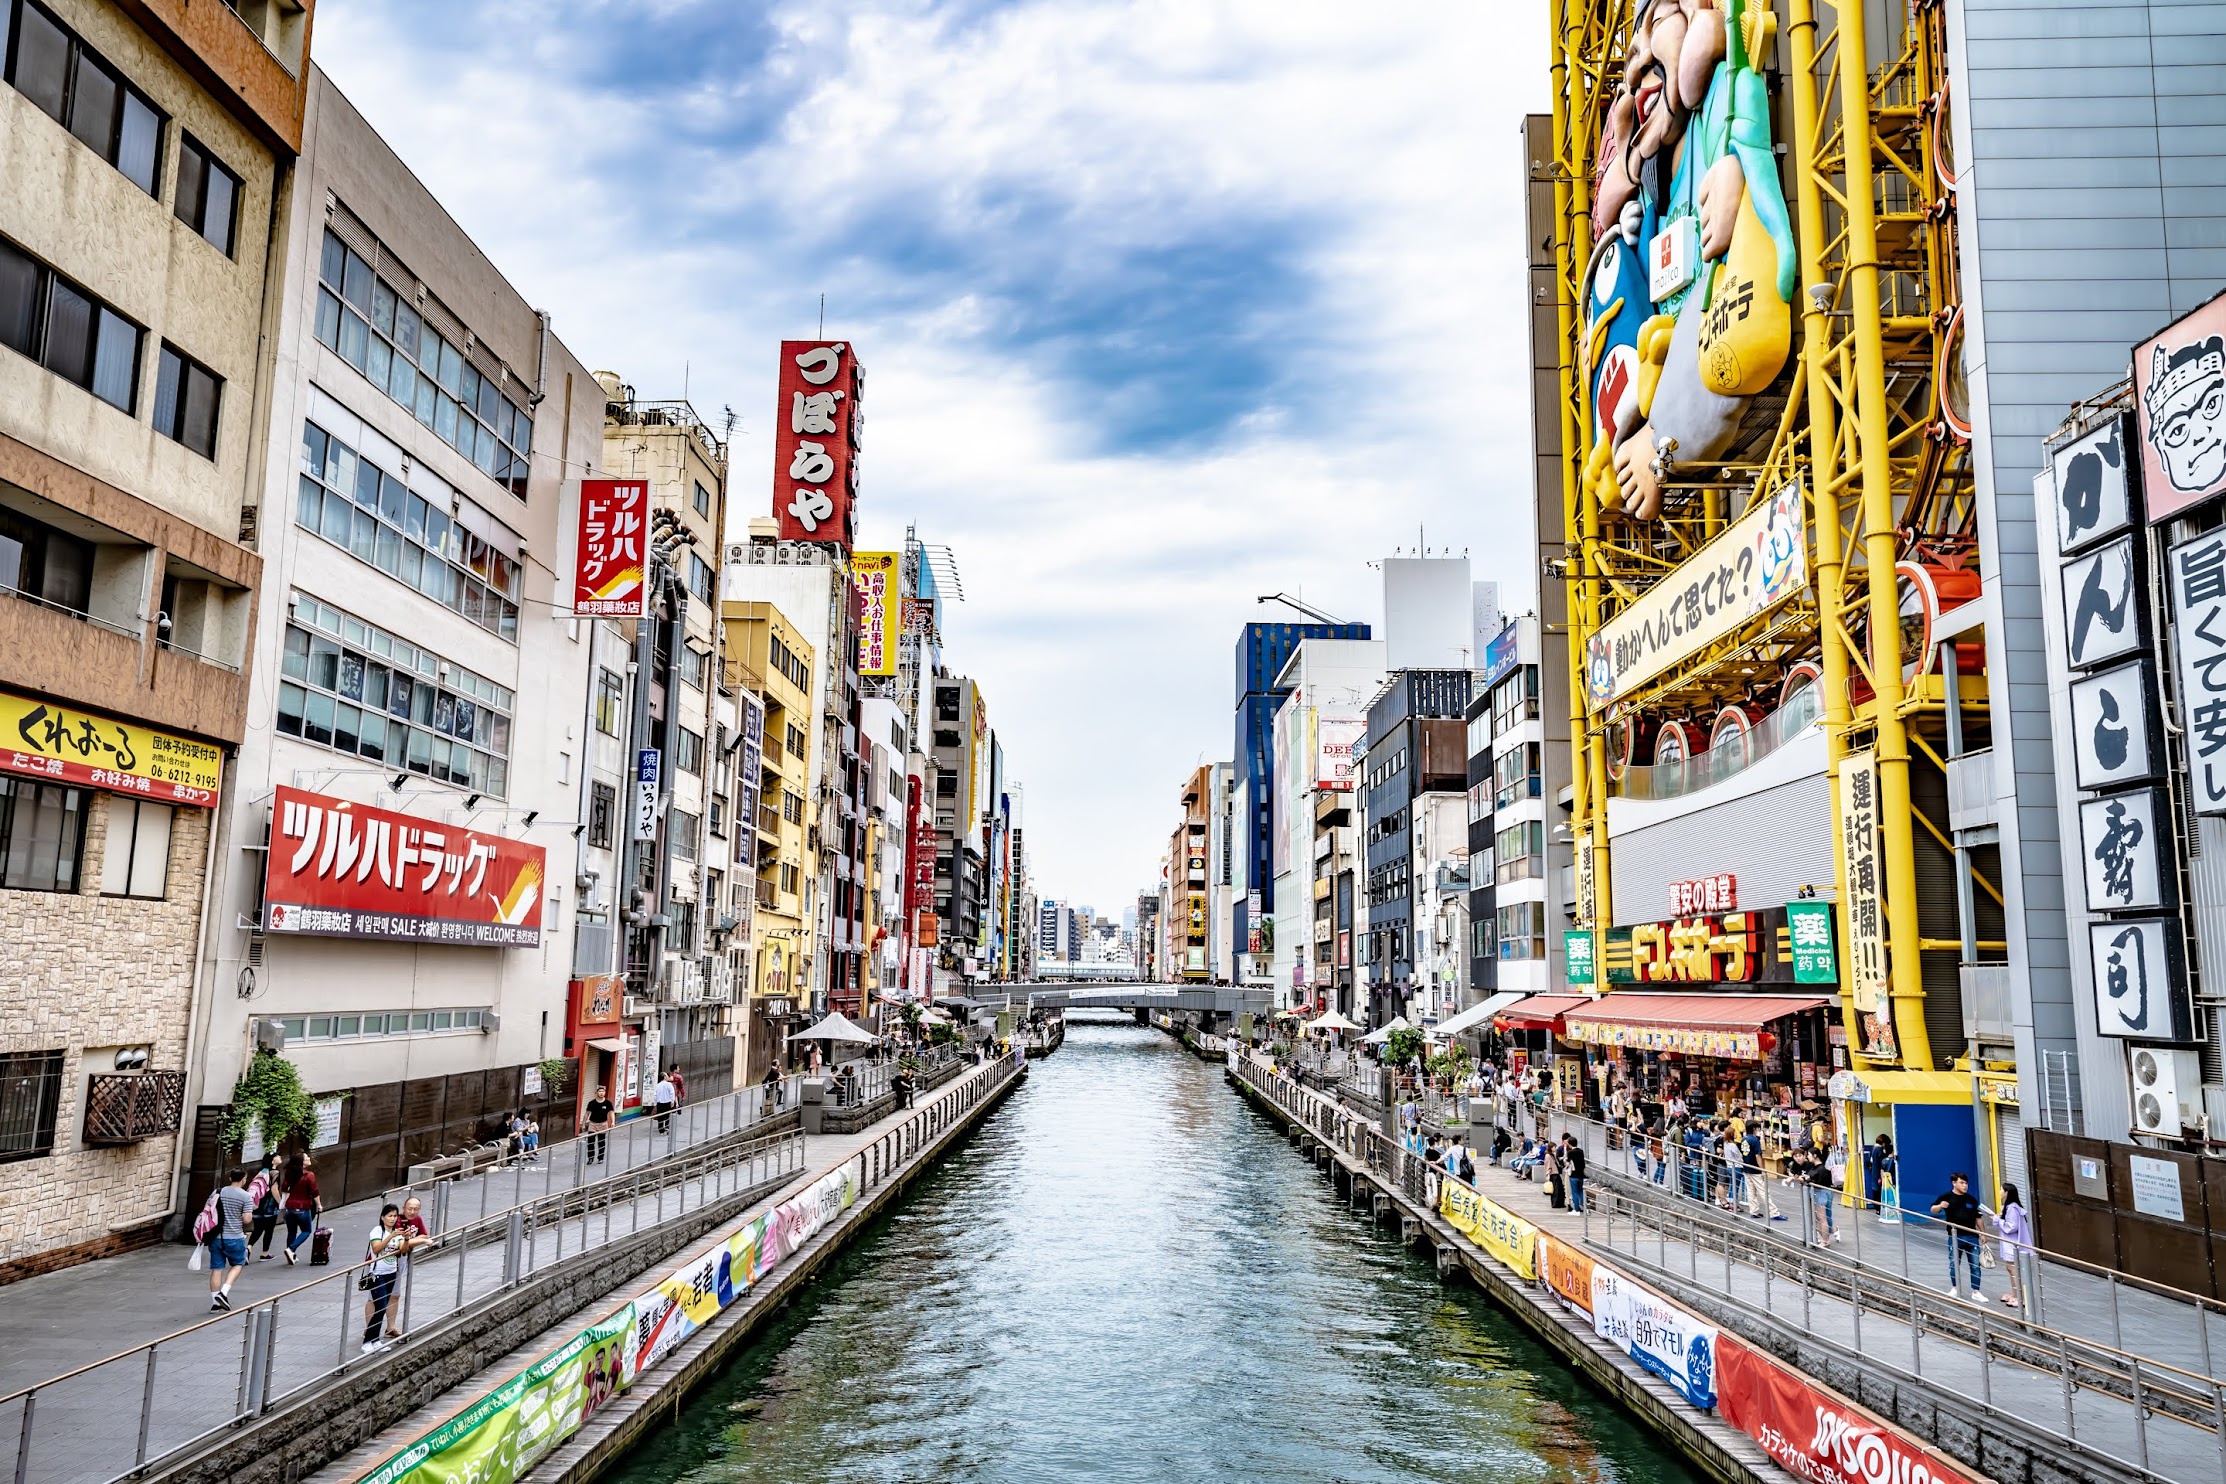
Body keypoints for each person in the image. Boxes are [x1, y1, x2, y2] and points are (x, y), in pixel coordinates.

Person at [362, 1206, 411, 1353]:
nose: (393, 1218)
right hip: (377, 1274)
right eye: (390, 1216)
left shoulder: (398, 1234)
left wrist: (406, 1238)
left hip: (391, 1273)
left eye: (395, 1216)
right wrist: (390, 1236)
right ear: (383, 1217)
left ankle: (375, 1340)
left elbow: (403, 1250)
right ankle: (367, 1342)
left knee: (382, 1308)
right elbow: (376, 1249)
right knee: (381, 1306)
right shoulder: (377, 1231)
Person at [206, 1168, 253, 1310]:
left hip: (216, 1237)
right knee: (238, 1263)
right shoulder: (246, 1196)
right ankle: (224, 1292)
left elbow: (208, 1210)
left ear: (230, 1178)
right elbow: (247, 1219)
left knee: (216, 1268)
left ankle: (215, 1302)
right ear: (243, 1179)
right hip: (234, 1237)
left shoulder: (217, 1192)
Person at [1931, 1172, 1985, 1299]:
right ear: (1954, 1183)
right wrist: (1940, 1206)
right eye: (1961, 1183)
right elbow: (1933, 1209)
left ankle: (1976, 1291)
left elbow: (1978, 1218)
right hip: (1955, 1236)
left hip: (1972, 1236)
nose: (1965, 1186)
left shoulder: (1971, 1199)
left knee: (1975, 1265)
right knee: (1954, 1262)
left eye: (1966, 1183)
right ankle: (1955, 1288)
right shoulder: (1946, 1197)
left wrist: (1983, 1234)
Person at [1994, 1183, 2031, 1308]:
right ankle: (2015, 1294)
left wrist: (1998, 1220)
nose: (1999, 1192)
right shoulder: (2009, 1207)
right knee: (2010, 1268)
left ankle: (2020, 1297)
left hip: (2012, 1243)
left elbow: (2011, 1227)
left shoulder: (2012, 1208)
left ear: (2006, 1192)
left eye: (2001, 1190)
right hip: (2009, 1243)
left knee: (2014, 1269)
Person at [282, 1153, 322, 1264]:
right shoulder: (309, 1175)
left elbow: (284, 1188)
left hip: (289, 1207)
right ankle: (291, 1249)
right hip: (303, 1207)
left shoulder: (289, 1173)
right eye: (306, 1158)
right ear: (301, 1162)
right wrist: (319, 1204)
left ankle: (291, 1255)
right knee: (306, 1230)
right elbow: (315, 1191)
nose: (309, 1158)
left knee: (291, 1232)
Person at [249, 1154, 285, 1261]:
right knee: (269, 1230)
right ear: (272, 1161)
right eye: (278, 1156)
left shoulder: (262, 1172)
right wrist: (280, 1203)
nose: (280, 1158)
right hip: (269, 1206)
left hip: (258, 1205)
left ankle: (248, 1247)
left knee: (257, 1229)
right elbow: (274, 1190)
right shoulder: (275, 1173)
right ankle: (264, 1254)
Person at [1806, 1152, 1838, 1245]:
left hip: (1821, 1193)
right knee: (1820, 1217)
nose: (1807, 1156)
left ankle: (1825, 1240)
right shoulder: (1814, 1167)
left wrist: (1808, 1179)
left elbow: (1819, 1182)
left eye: (1809, 1154)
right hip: (1820, 1193)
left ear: (1815, 1155)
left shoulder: (1822, 1169)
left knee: (1822, 1218)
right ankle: (1829, 1234)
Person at [584, 1085, 615, 1165]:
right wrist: (583, 1124)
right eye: (600, 1091)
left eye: (603, 1092)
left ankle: (600, 1158)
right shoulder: (592, 1103)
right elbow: (587, 1113)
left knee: (601, 1141)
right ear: (596, 1093)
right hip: (593, 1123)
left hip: (603, 1123)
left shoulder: (607, 1103)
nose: (601, 1093)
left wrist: (612, 1122)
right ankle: (590, 1158)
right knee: (591, 1142)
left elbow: (611, 1112)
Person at [1562, 1133, 1588, 1213]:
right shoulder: (1581, 1151)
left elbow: (1567, 1163)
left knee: (1574, 1192)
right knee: (1580, 1191)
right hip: (1581, 1174)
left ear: (1569, 1144)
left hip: (1573, 1175)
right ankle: (1584, 1206)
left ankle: (1576, 1209)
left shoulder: (1570, 1153)